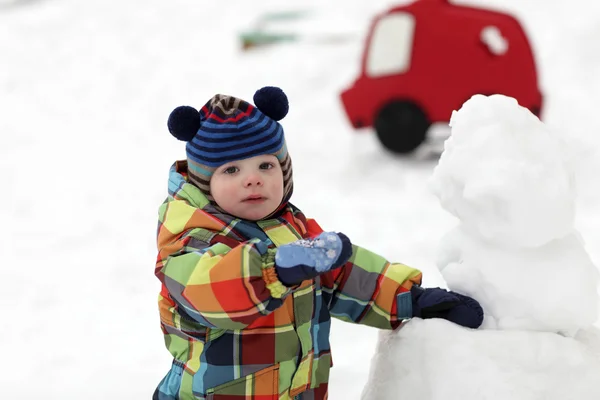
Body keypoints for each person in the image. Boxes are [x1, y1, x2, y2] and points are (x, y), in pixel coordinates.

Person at [153, 86, 483, 400]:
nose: (252, 178)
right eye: (232, 170)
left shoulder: (291, 228)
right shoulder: (191, 239)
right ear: (204, 183)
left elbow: (341, 278)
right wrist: (272, 272)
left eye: (265, 165)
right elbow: (208, 290)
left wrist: (409, 298)